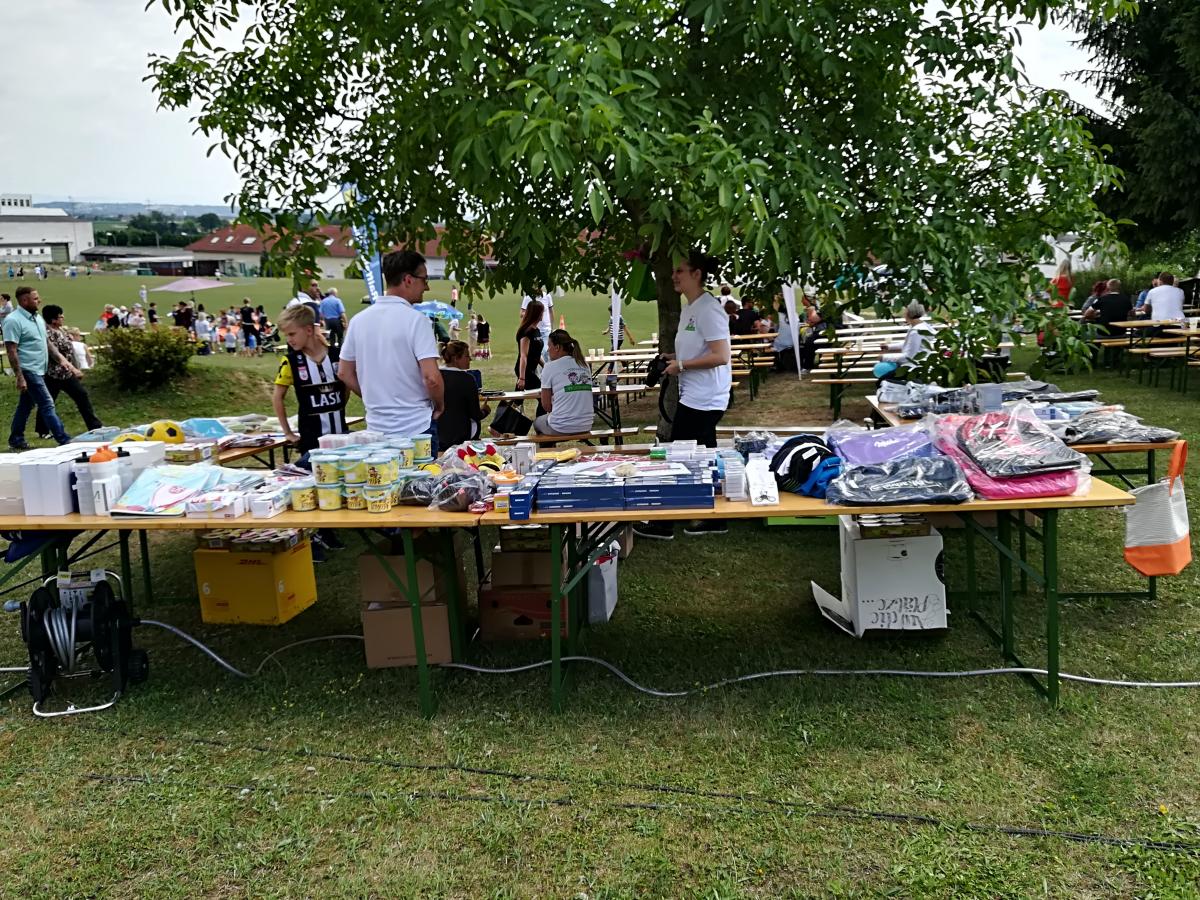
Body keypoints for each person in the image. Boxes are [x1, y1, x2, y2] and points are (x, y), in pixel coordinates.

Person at [635, 251, 731, 540]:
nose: (674, 276)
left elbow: (721, 355)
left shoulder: (708, 309)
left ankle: (666, 523)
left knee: (679, 454)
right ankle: (711, 517)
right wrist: (672, 357)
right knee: (704, 455)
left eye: (680, 271)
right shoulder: (691, 308)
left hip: (706, 398)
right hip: (694, 395)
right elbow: (697, 348)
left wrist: (683, 365)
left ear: (697, 274)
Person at [339, 249, 444, 452]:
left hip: (377, 429)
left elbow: (344, 372)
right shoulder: (417, 321)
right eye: (424, 280)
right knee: (422, 474)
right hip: (417, 428)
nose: (427, 287)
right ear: (408, 280)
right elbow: (432, 378)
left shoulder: (358, 321)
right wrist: (439, 405)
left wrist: (373, 398)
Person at [4, 287, 75, 449]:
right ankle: (63, 439)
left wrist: (62, 360)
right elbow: (11, 350)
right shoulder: (13, 321)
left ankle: (16, 439)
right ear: (24, 301)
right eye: (35, 299)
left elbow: (46, 343)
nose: (39, 301)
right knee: (47, 404)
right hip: (28, 369)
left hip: (40, 369)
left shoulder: (37, 318)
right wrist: (20, 376)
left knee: (25, 406)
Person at [272, 304, 349, 453]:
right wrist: (288, 432)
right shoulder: (291, 362)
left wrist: (337, 406)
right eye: (286, 335)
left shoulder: (337, 355)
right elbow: (277, 397)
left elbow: (346, 387)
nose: (289, 340)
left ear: (308, 330)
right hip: (311, 443)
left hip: (342, 438)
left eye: (292, 334)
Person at [35, 305, 102, 437]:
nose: (63, 318)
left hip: (67, 374)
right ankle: (42, 430)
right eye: (60, 316)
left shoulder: (62, 331)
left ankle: (94, 426)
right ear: (53, 320)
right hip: (53, 374)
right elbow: (54, 354)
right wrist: (73, 369)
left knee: (81, 395)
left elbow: (70, 351)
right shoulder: (48, 334)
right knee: (48, 401)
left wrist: (75, 368)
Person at [535, 329, 595, 437]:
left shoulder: (549, 367)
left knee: (537, 422)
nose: (548, 350)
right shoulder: (584, 364)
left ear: (557, 347)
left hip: (561, 426)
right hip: (586, 424)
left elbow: (546, 406)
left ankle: (548, 447)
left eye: (549, 346)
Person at [437, 340, 489, 448]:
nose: (470, 359)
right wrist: (485, 410)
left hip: (437, 434)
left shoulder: (436, 375)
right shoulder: (467, 379)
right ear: (456, 358)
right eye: (467, 356)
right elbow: (475, 414)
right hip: (461, 436)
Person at [873, 301, 935, 379]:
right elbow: (909, 344)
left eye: (905, 310)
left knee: (884, 380)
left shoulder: (916, 331)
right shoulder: (918, 326)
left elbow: (909, 356)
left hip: (914, 368)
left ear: (910, 313)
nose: (903, 313)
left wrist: (884, 357)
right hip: (914, 365)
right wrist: (889, 346)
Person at [514, 300, 544, 396]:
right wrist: (522, 378)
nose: (543, 314)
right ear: (537, 313)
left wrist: (545, 366)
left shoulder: (537, 330)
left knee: (517, 399)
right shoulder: (526, 332)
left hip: (530, 370)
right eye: (542, 312)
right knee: (542, 395)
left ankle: (508, 406)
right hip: (525, 371)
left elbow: (536, 353)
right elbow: (523, 355)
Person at [520, 288, 554, 360]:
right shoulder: (528, 297)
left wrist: (552, 327)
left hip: (546, 329)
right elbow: (522, 313)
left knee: (545, 351)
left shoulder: (547, 296)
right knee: (535, 352)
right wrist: (532, 313)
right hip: (533, 330)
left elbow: (551, 311)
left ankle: (546, 366)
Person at [319, 287, 347, 355]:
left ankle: (332, 352)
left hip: (328, 321)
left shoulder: (323, 301)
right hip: (336, 321)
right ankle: (340, 352)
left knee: (331, 337)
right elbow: (342, 313)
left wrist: (323, 320)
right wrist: (346, 322)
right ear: (334, 293)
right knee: (340, 337)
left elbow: (320, 313)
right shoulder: (337, 301)